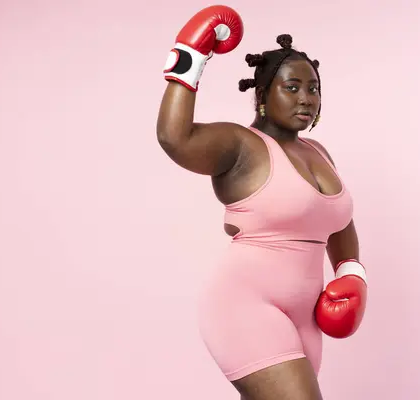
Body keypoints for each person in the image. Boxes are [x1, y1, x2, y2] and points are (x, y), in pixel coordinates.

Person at [157, 5, 368, 400]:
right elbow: (175, 139)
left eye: (313, 88)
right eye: (292, 87)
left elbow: (340, 223)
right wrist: (190, 59)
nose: (306, 98)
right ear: (263, 94)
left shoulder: (319, 152)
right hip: (246, 307)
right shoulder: (240, 145)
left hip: (305, 319)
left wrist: (352, 273)